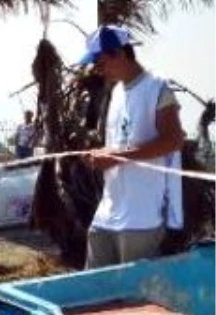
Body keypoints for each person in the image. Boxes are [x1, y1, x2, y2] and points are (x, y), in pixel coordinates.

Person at [80, 24, 186, 268]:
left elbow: (173, 140)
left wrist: (116, 157)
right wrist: (103, 154)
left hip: (141, 218)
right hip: (107, 212)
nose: (97, 69)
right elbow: (120, 143)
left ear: (119, 53)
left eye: (100, 62)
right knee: (95, 290)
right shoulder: (116, 92)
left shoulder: (157, 87)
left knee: (133, 299)